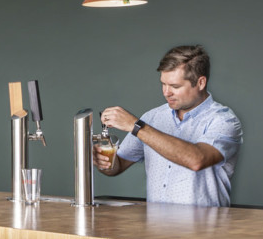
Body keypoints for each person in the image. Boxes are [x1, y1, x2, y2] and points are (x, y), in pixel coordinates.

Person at [95, 45, 243, 207]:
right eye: (163, 84)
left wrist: (135, 126)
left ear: (200, 83)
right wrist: (104, 161)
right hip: (157, 228)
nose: (166, 92)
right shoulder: (152, 118)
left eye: (175, 86)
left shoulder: (224, 120)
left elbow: (196, 160)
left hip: (204, 230)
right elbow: (118, 166)